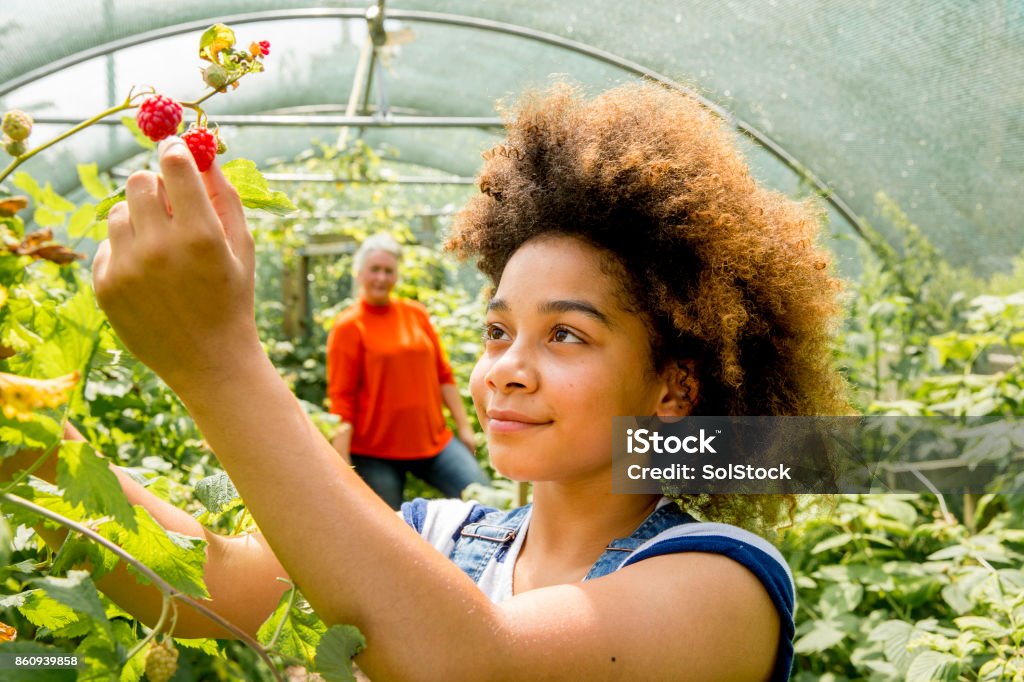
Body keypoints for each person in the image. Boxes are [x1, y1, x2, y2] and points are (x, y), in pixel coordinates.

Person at [9, 81, 850, 680]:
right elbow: (211, 585)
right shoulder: (438, 535)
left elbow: (473, 662)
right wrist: (30, 434)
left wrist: (219, 362)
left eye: (565, 334)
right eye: (496, 330)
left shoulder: (722, 583)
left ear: (673, 389)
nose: (507, 369)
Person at [325, 233, 491, 509]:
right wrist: (342, 462)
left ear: (396, 276)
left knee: (484, 499)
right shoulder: (348, 327)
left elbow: (444, 375)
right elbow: (342, 399)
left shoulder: (416, 314)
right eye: (374, 270)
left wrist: (464, 427)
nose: (381, 277)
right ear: (360, 273)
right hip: (375, 452)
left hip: (433, 442)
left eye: (388, 271)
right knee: (391, 529)